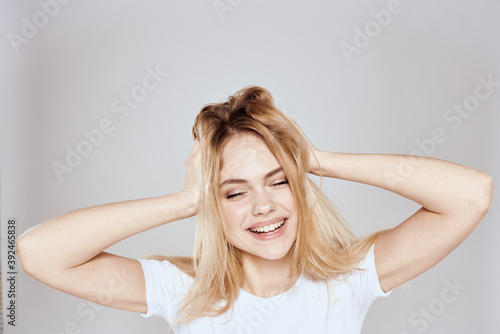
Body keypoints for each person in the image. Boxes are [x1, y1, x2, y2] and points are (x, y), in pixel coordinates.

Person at [16, 85, 494, 333]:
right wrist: (185, 202)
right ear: (215, 206)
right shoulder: (183, 291)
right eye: (234, 192)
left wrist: (316, 159)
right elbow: (37, 252)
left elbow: (471, 194)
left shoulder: (350, 279)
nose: (264, 206)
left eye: (279, 180)